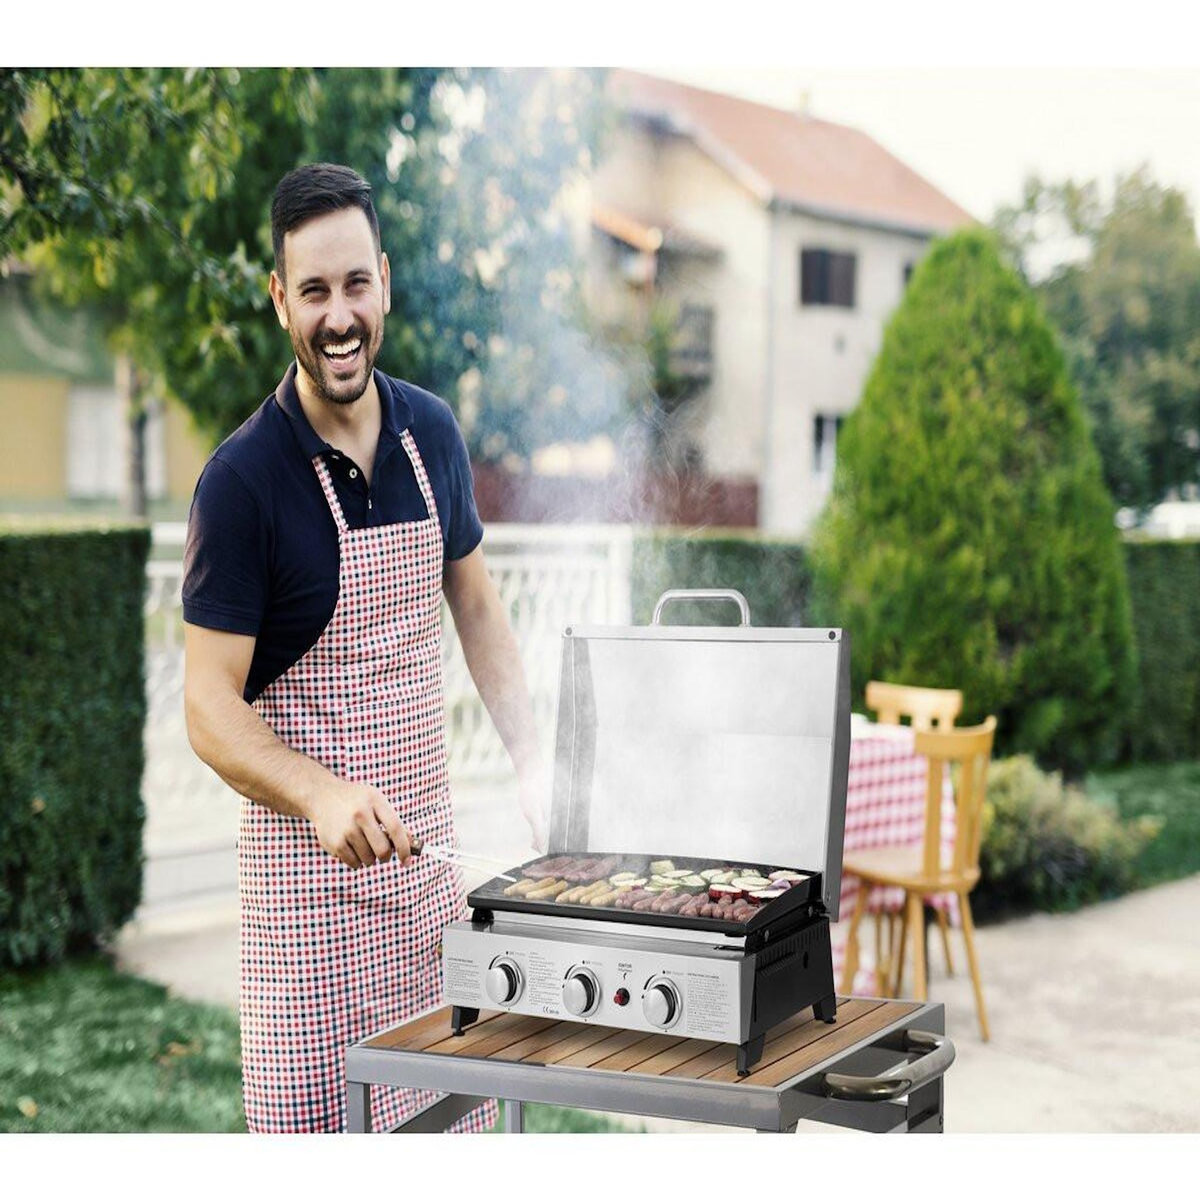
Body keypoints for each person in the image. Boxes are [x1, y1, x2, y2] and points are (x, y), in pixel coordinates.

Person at [182, 162, 546, 1134]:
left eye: (354, 285)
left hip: (428, 889)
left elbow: (475, 604)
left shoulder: (433, 432)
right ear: (279, 300)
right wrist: (320, 793)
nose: (338, 316)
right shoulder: (243, 481)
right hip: (309, 917)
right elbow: (207, 706)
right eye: (313, 291)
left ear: (383, 280)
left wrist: (532, 757)